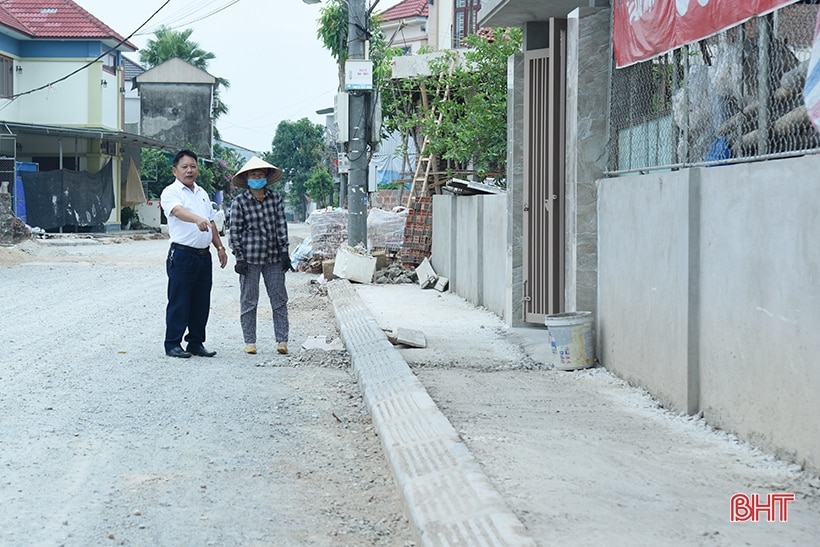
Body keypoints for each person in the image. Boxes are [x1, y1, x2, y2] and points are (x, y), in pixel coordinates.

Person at [160, 149, 228, 358]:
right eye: (184, 167)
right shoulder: (171, 192)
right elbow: (178, 211)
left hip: (203, 256)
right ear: (175, 170)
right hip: (182, 255)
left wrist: (219, 247)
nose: (189, 170)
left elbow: (211, 222)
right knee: (180, 300)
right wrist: (196, 219)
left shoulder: (203, 194)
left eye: (193, 166)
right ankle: (172, 343)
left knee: (201, 301)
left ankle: (195, 342)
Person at [229, 156, 292, 355]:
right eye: (253, 174)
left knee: (279, 299)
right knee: (249, 301)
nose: (257, 176)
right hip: (249, 258)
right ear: (247, 178)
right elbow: (234, 231)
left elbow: (281, 226)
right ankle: (250, 341)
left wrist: (285, 251)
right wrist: (238, 257)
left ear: (266, 176)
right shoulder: (240, 202)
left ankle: (282, 340)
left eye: (260, 173)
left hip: (273, 257)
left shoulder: (275, 199)